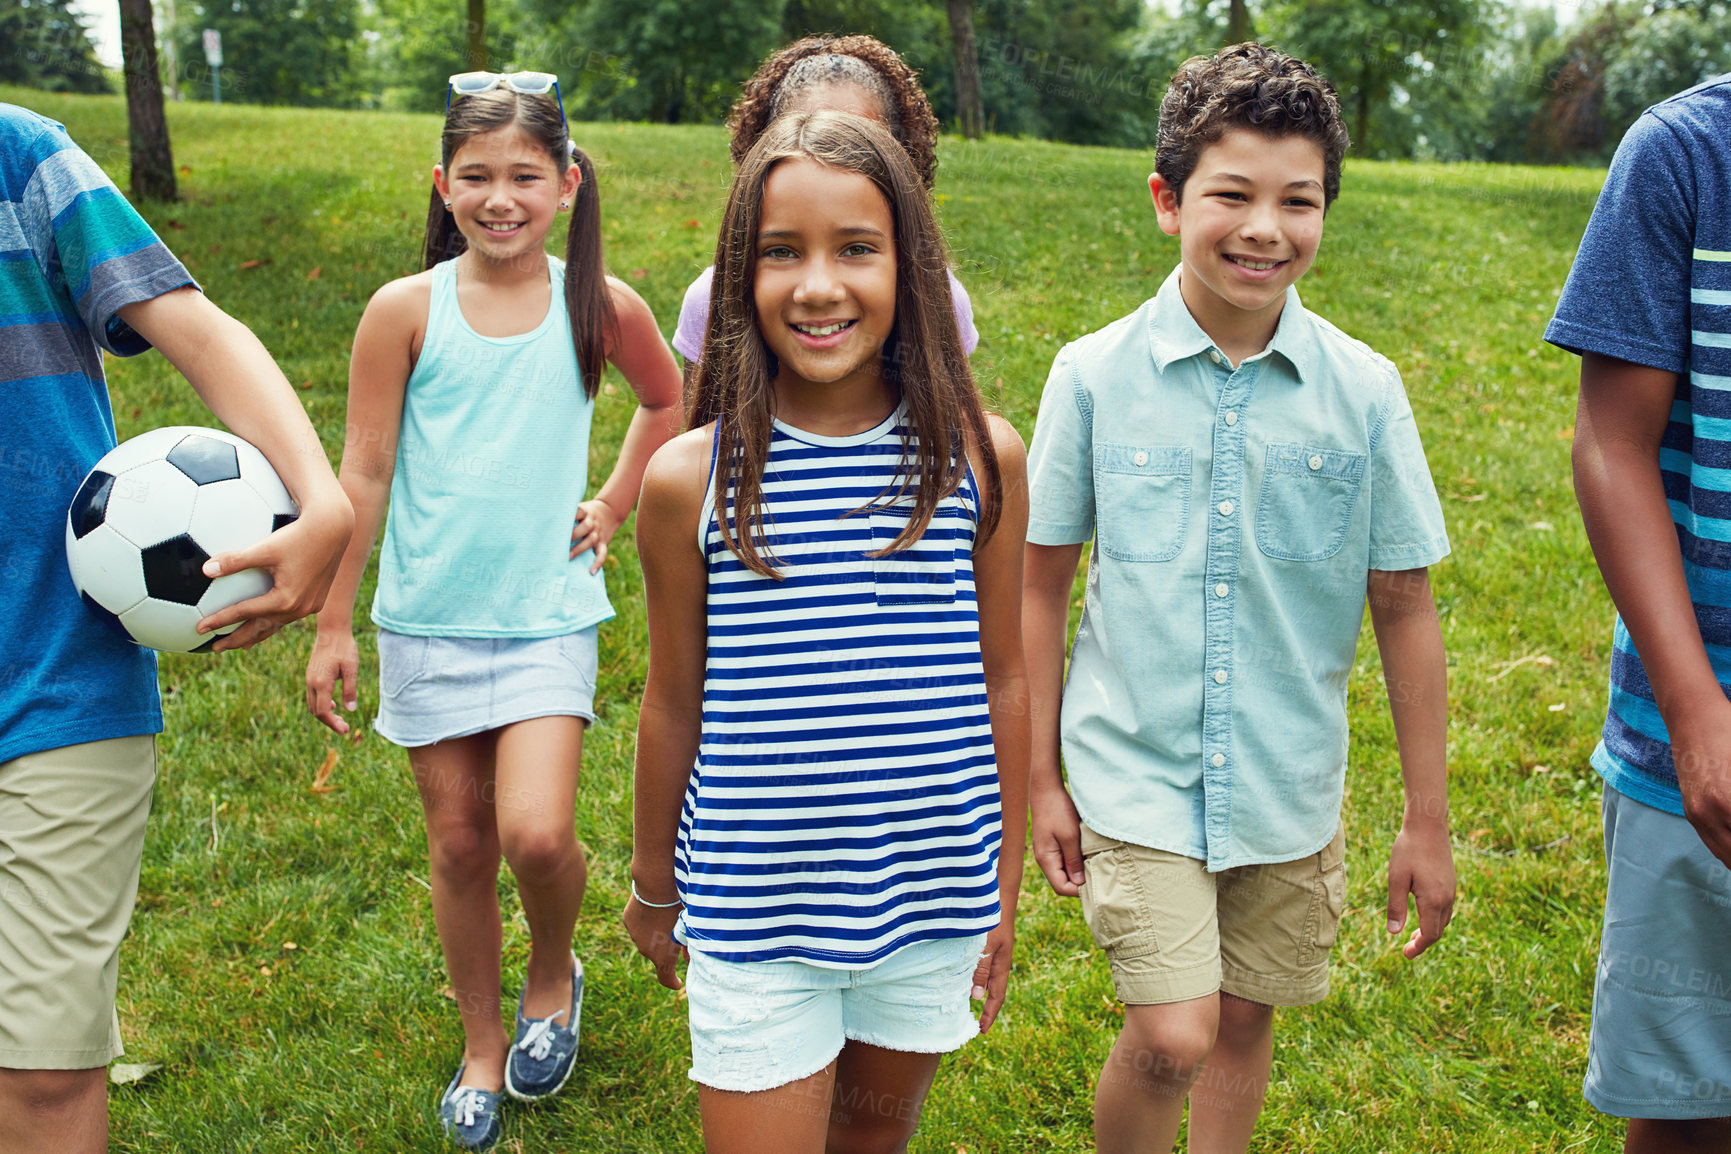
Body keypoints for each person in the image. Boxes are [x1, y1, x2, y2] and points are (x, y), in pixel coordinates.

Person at [1021, 44, 1457, 1153]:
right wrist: (1037, 774)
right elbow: (1041, 583)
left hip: (1287, 779)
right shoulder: (1092, 374)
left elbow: (1404, 605)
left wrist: (1427, 817)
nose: (1265, 227)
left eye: (1297, 201)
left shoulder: (1364, 392)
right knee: (1174, 1029)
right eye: (1233, 194)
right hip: (1135, 767)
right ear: (1168, 200)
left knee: (1248, 1014)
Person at [625, 110, 1028, 1153]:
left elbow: (1005, 681)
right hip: (754, 917)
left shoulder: (981, 460)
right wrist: (651, 886)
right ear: (738, 275)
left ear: (912, 268)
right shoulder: (688, 480)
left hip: (931, 901)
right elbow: (673, 698)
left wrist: (1004, 889)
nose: (817, 285)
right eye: (780, 252)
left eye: (856, 248)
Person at [301, 72, 680, 1149]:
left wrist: (612, 500)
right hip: (427, 616)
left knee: (536, 829)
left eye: (524, 175)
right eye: (476, 176)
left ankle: (553, 973)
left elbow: (667, 397)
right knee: (462, 842)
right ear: (442, 183)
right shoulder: (402, 311)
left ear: (567, 183)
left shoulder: (599, 304)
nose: (499, 197)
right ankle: (480, 1042)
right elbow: (363, 474)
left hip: (546, 614)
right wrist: (336, 619)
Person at [0, 104, 352, 1154]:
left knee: (43, 1073)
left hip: (53, 689)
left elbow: (196, 325)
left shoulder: (20, 156)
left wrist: (319, 497)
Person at [1546, 73, 1731, 1150]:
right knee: (1687, 1098)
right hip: (1694, 743)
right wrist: (1697, 708)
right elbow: (1613, 443)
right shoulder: (1682, 155)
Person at [669, 34, 980, 369]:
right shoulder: (712, 299)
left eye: (859, 143)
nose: (825, 158)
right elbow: (701, 411)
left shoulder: (938, 298)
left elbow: (949, 410)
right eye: (805, 136)